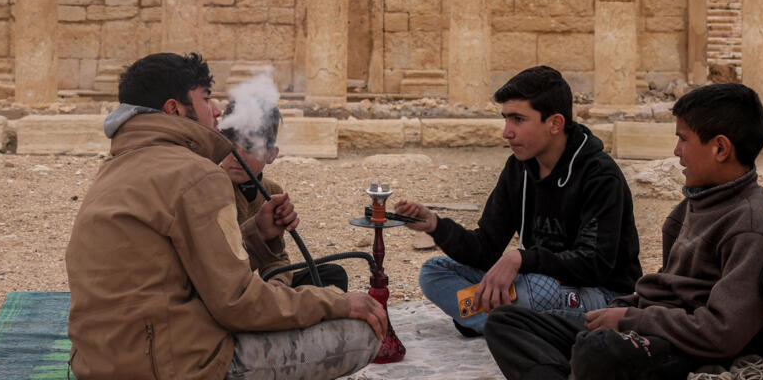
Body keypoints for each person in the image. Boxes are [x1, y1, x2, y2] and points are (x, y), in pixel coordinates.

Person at [65, 52, 384, 380]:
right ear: (174, 109)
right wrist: (338, 303)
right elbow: (237, 303)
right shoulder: (195, 174)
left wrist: (258, 234)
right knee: (360, 333)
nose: (217, 110)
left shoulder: (115, 167)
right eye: (205, 98)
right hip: (167, 366)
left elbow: (187, 263)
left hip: (101, 362)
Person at [483, 82, 763, 380]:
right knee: (504, 322)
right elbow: (666, 286)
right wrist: (622, 310)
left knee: (597, 351)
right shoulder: (697, 201)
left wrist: (630, 319)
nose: (677, 151)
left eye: (684, 139)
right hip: (648, 324)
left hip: (682, 346)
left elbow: (723, 332)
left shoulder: (748, 224)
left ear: (720, 148)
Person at [395, 65, 641, 336]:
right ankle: (505, 323)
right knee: (434, 272)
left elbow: (593, 264)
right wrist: (435, 226)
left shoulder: (600, 175)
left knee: (528, 292)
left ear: (555, 123)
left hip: (600, 294)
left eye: (518, 120)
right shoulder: (518, 168)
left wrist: (519, 258)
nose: (506, 132)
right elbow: (486, 247)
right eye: (506, 119)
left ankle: (486, 318)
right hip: (535, 281)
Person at [220, 101, 348, 291]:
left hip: (254, 287)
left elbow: (276, 258)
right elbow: (216, 263)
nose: (237, 155)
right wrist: (257, 231)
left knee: (332, 275)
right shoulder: (211, 186)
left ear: (271, 155)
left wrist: (278, 282)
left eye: (250, 145)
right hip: (222, 285)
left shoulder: (271, 191)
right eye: (231, 142)